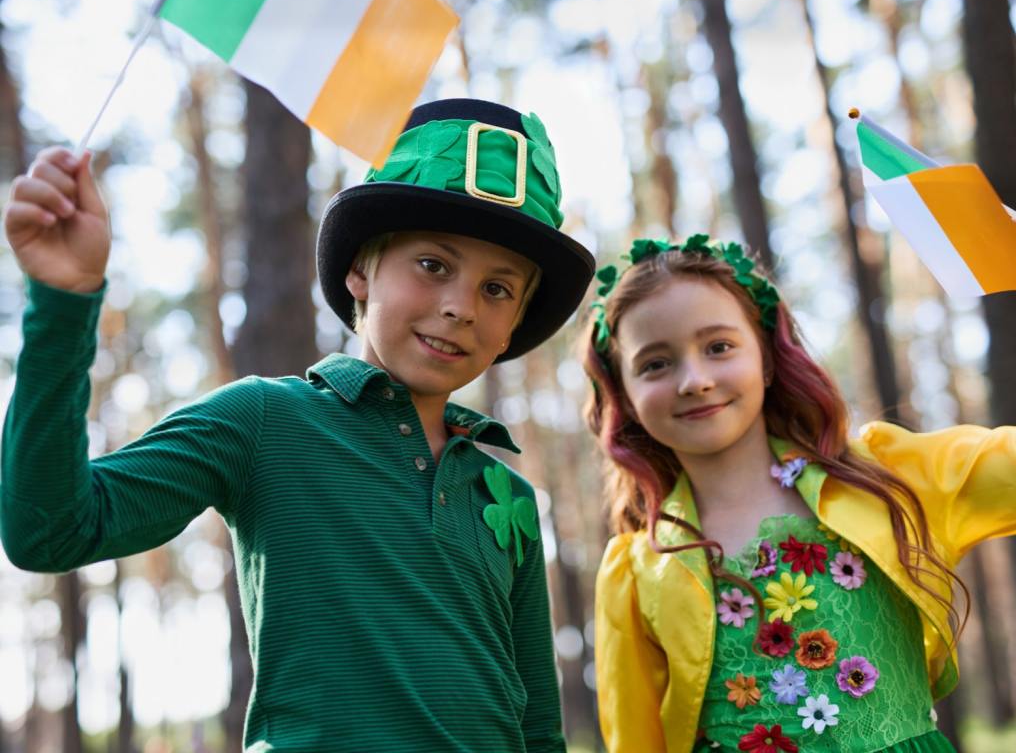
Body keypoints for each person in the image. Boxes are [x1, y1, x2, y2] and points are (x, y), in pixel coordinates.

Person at [1, 98, 595, 752]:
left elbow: (538, 724)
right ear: (360, 270)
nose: (459, 307)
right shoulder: (264, 418)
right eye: (433, 266)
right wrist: (63, 302)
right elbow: (48, 533)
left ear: (516, 322)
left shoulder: (506, 494)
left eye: (498, 289)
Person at [582, 234, 1015, 752]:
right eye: (655, 363)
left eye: (718, 347)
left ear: (765, 358)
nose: (694, 380)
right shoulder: (637, 570)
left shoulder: (887, 478)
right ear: (625, 398)